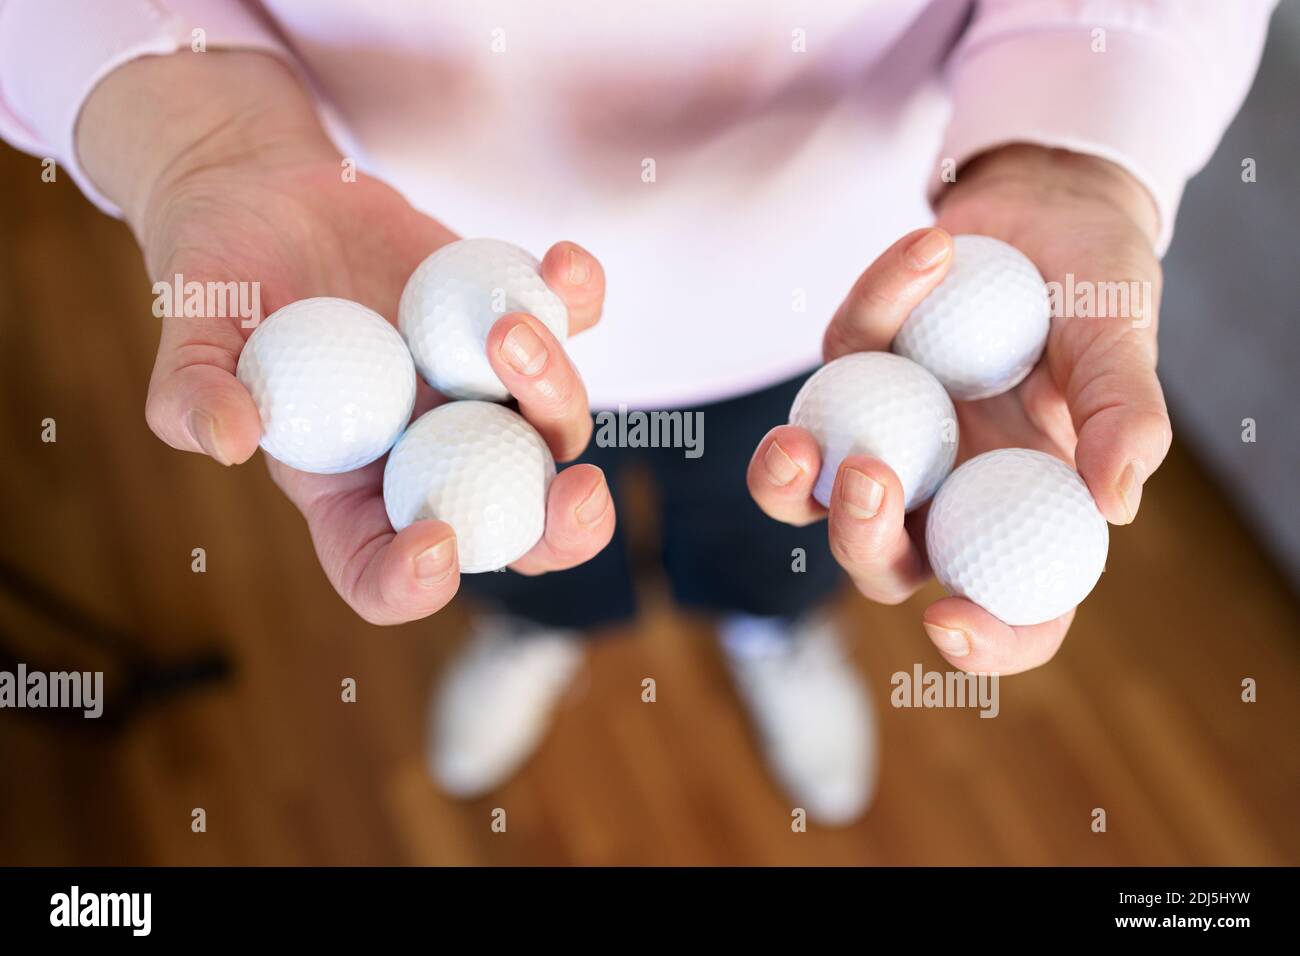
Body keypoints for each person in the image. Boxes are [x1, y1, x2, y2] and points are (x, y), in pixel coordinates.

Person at [0, 0, 1274, 824]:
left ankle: (769, 635)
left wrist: (1070, 143)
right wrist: (195, 135)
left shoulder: (880, 362)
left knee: (793, 528)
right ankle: (541, 629)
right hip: (409, 292)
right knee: (519, 542)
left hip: (852, 306)